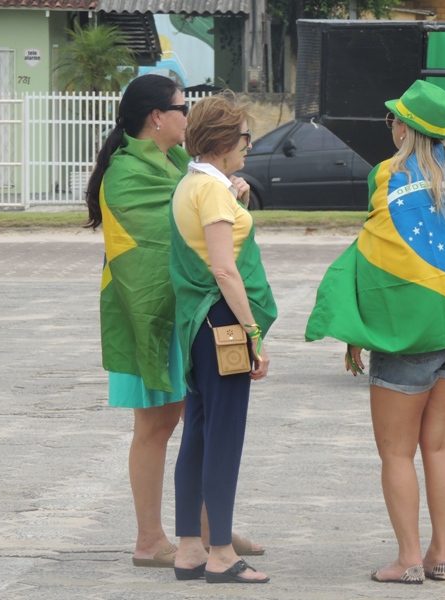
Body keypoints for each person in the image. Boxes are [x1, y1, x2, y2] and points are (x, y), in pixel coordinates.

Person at [306, 80, 445, 584]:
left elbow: (375, 254)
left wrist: (356, 324)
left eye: (393, 117)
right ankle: (441, 555)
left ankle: (408, 559)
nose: (390, 124)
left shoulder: (387, 174)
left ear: (404, 128)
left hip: (412, 329)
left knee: (396, 451)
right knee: (440, 447)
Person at [86, 75, 264, 569]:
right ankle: (150, 539)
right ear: (157, 117)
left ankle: (209, 529)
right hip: (147, 313)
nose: (188, 115)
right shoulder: (126, 172)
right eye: (182, 108)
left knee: (197, 420)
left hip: (185, 310)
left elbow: (202, 224)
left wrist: (229, 198)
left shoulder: (178, 163)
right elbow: (171, 240)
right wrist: (220, 203)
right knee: (156, 423)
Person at [170, 90, 277, 584]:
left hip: (198, 325)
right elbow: (224, 269)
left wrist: (236, 201)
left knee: (198, 433)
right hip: (223, 324)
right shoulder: (212, 192)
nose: (248, 146)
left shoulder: (192, 184)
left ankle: (190, 548)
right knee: (224, 439)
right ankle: (220, 553)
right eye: (244, 138)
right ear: (221, 142)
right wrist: (253, 333)